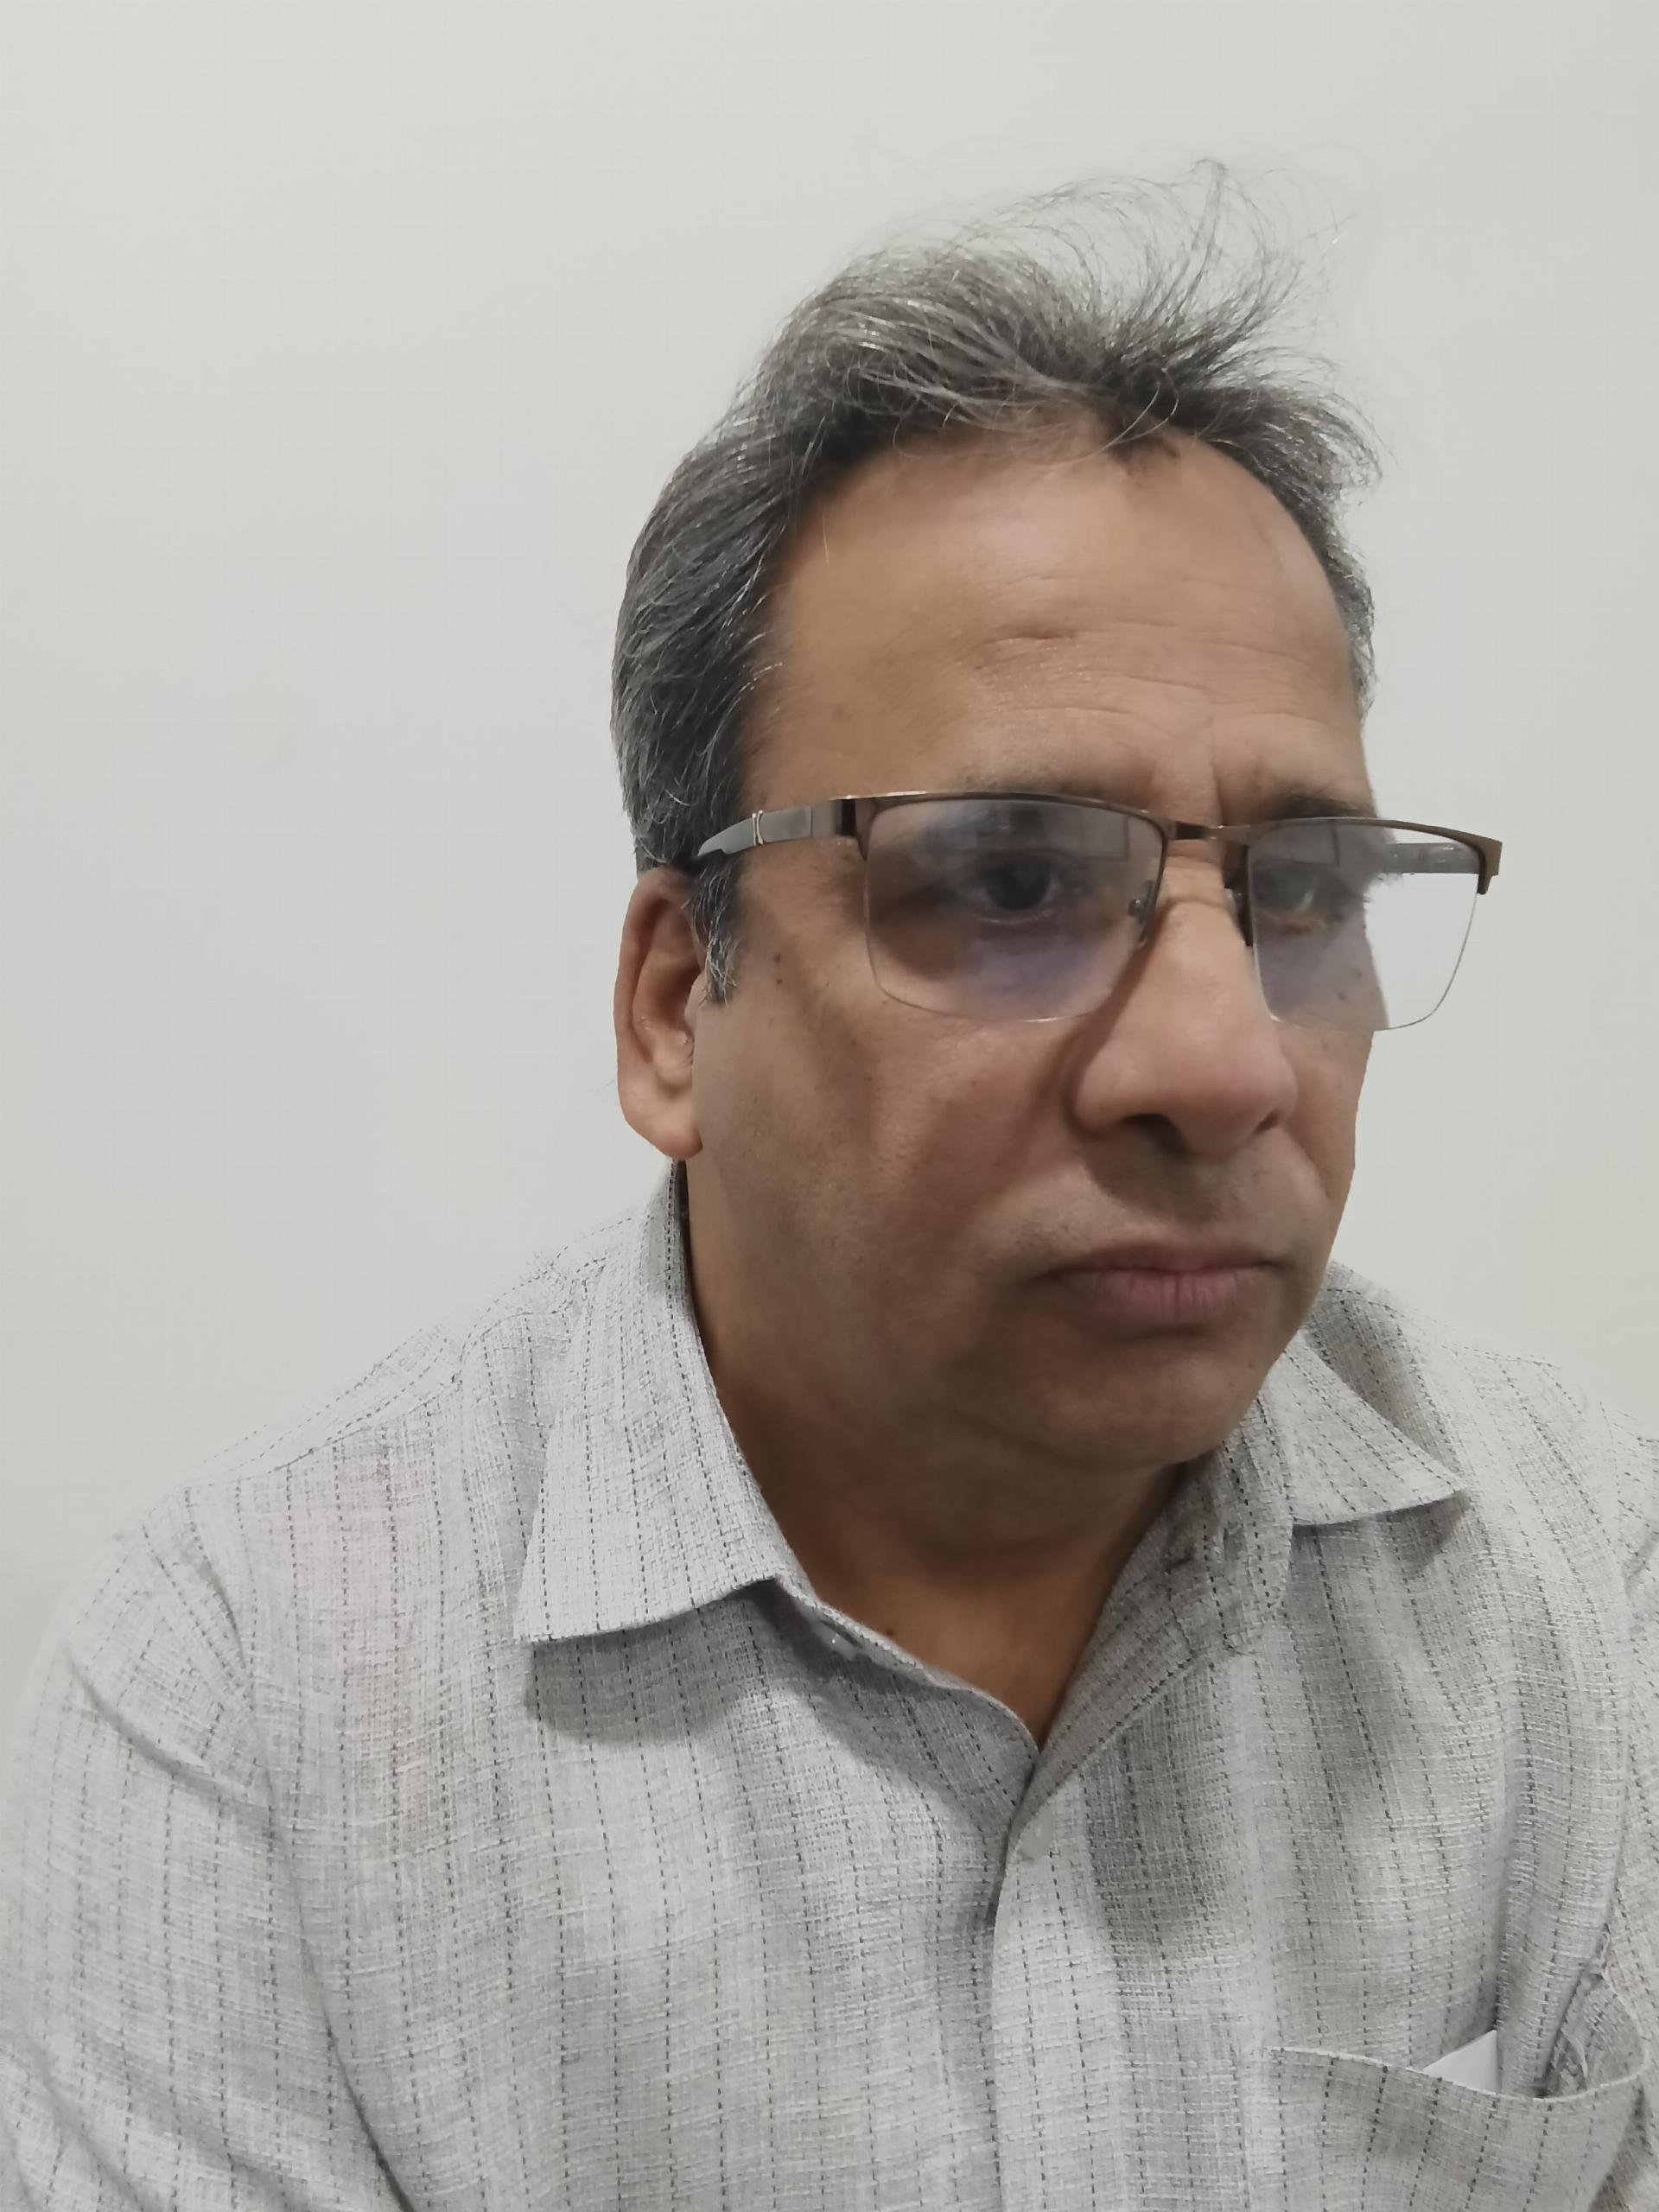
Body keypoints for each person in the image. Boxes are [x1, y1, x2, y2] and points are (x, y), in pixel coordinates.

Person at [3, 174, 1655, 2210]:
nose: (1222, 1062)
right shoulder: (249, 1706)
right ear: (676, 1005)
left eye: (1301, 893)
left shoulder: (1584, 1583)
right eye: (1013, 879)